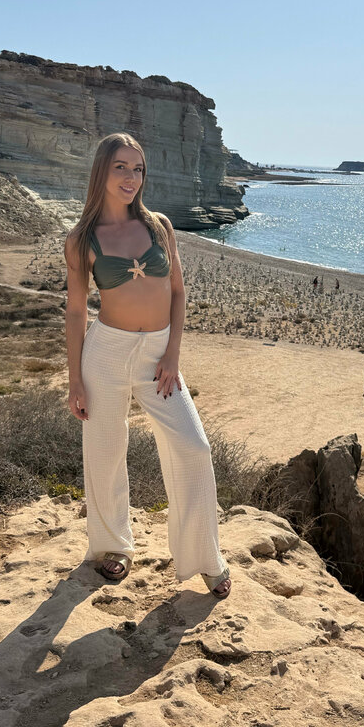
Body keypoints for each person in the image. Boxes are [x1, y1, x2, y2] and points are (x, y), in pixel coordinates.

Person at [63, 132, 231, 599]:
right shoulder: (81, 239)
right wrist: (75, 378)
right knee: (105, 450)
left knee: (194, 447)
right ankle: (112, 546)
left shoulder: (159, 226)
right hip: (106, 353)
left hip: (159, 355)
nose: (131, 178)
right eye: (121, 167)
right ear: (102, 171)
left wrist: (172, 353)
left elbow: (177, 291)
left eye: (138, 169)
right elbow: (76, 311)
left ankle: (204, 557)